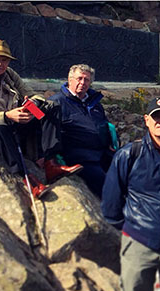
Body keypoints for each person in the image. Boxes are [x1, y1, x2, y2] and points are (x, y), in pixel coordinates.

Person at [0, 38, 82, 198]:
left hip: (10, 121)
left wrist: (31, 104)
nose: (0, 63)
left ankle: (50, 162)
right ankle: (27, 179)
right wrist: (6, 116)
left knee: (50, 107)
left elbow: (34, 95)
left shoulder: (10, 75)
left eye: (4, 60)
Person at [101, 97, 160, 291]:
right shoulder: (128, 155)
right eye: (156, 117)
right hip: (138, 243)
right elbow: (110, 204)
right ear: (146, 120)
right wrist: (131, 230)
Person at [48, 64, 114, 196]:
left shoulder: (95, 103)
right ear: (70, 79)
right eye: (79, 78)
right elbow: (48, 132)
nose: (82, 83)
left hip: (102, 153)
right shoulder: (56, 103)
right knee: (107, 184)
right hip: (79, 157)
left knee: (130, 171)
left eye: (86, 80)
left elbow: (104, 124)